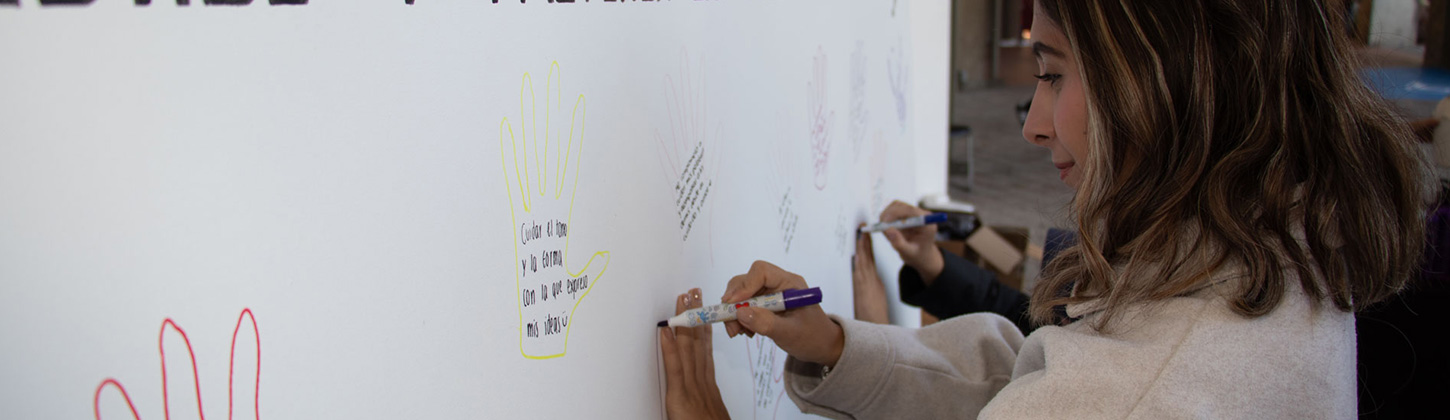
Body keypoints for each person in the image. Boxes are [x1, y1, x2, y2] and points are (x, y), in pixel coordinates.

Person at [658, 0, 1429, 418]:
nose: (1030, 122)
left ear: (1163, 83)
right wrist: (834, 344)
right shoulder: (1264, 246)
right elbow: (1034, 377)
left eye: (1054, 74)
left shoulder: (1153, 389)